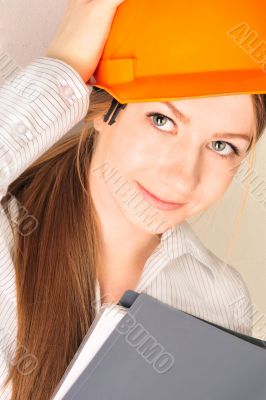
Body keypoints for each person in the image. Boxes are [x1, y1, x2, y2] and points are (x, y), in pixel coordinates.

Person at [0, 0, 265, 398]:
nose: (182, 176)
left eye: (222, 145)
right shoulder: (9, 240)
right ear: (103, 110)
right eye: (162, 121)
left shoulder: (222, 299)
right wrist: (66, 65)